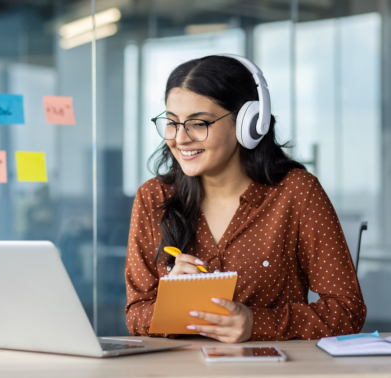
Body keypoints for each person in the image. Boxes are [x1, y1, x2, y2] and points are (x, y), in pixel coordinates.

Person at [124, 55, 366, 343]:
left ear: (248, 124)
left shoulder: (296, 193)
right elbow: (136, 314)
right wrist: (173, 306)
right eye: (172, 123)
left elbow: (347, 310)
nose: (180, 138)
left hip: (270, 369)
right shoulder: (154, 197)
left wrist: (256, 323)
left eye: (199, 123)